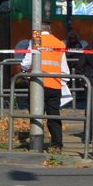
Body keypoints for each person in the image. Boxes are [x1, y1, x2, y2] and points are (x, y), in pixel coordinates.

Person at [20, 22, 68, 152]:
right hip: (55, 85)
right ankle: (57, 144)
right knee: (54, 115)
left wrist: (24, 70)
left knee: (36, 114)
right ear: (50, 30)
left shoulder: (36, 41)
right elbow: (64, 70)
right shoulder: (59, 43)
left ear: (38, 30)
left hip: (38, 85)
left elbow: (27, 62)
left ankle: (36, 143)